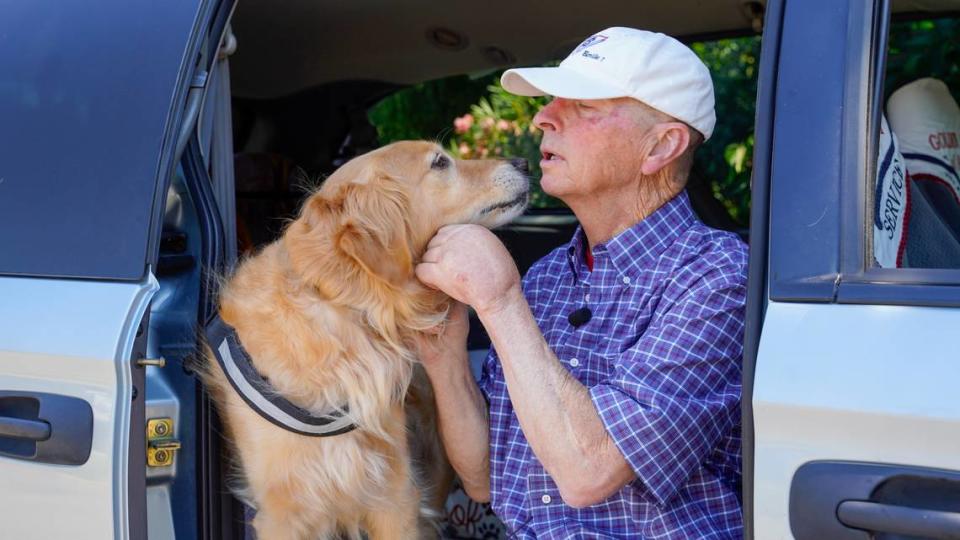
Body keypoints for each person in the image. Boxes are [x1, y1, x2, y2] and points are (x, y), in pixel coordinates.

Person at [415, 27, 746, 538]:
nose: (545, 116)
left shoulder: (719, 277)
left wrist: (500, 303)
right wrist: (442, 352)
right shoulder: (548, 277)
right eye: (553, 101)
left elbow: (588, 472)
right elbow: (482, 478)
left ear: (661, 146)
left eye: (585, 105)